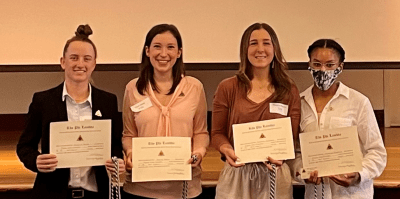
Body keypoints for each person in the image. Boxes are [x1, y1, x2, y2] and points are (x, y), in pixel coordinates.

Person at [16, 24, 125, 199]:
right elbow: (24, 147)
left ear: (94, 64)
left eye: (87, 58)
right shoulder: (43, 101)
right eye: (74, 58)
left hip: (96, 195)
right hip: (53, 194)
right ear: (63, 62)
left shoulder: (108, 102)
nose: (80, 64)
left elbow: (116, 147)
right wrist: (35, 161)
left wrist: (118, 162)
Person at [211, 22, 301, 199]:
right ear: (245, 49)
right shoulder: (227, 87)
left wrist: (282, 154)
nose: (260, 49)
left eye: (266, 43)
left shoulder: (288, 89)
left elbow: (292, 136)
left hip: (275, 175)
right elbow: (217, 133)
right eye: (253, 43)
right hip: (237, 175)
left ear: (275, 48)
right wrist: (226, 148)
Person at [121, 24, 209, 199]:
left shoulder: (194, 87)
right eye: (157, 46)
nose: (163, 54)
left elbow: (201, 131)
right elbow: (128, 134)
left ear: (179, 52)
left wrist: (198, 152)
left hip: (184, 189)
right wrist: (130, 153)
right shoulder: (133, 88)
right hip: (140, 189)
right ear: (147, 51)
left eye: (170, 47)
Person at [293, 39, 387, 199]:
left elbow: (377, 152)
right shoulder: (299, 103)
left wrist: (358, 174)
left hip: (352, 195)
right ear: (309, 64)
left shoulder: (358, 102)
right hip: (315, 195)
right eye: (317, 64)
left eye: (330, 65)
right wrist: (303, 171)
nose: (323, 70)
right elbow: (295, 153)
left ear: (340, 66)